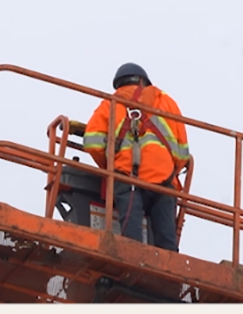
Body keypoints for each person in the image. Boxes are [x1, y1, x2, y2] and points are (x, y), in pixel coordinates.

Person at [77, 62, 190, 251]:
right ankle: (169, 276)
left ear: (119, 84)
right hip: (165, 182)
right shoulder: (167, 102)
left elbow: (92, 143)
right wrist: (168, 172)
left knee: (132, 238)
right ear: (144, 81)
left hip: (127, 179)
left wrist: (110, 167)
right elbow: (182, 154)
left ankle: (133, 264)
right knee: (167, 243)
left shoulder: (110, 103)